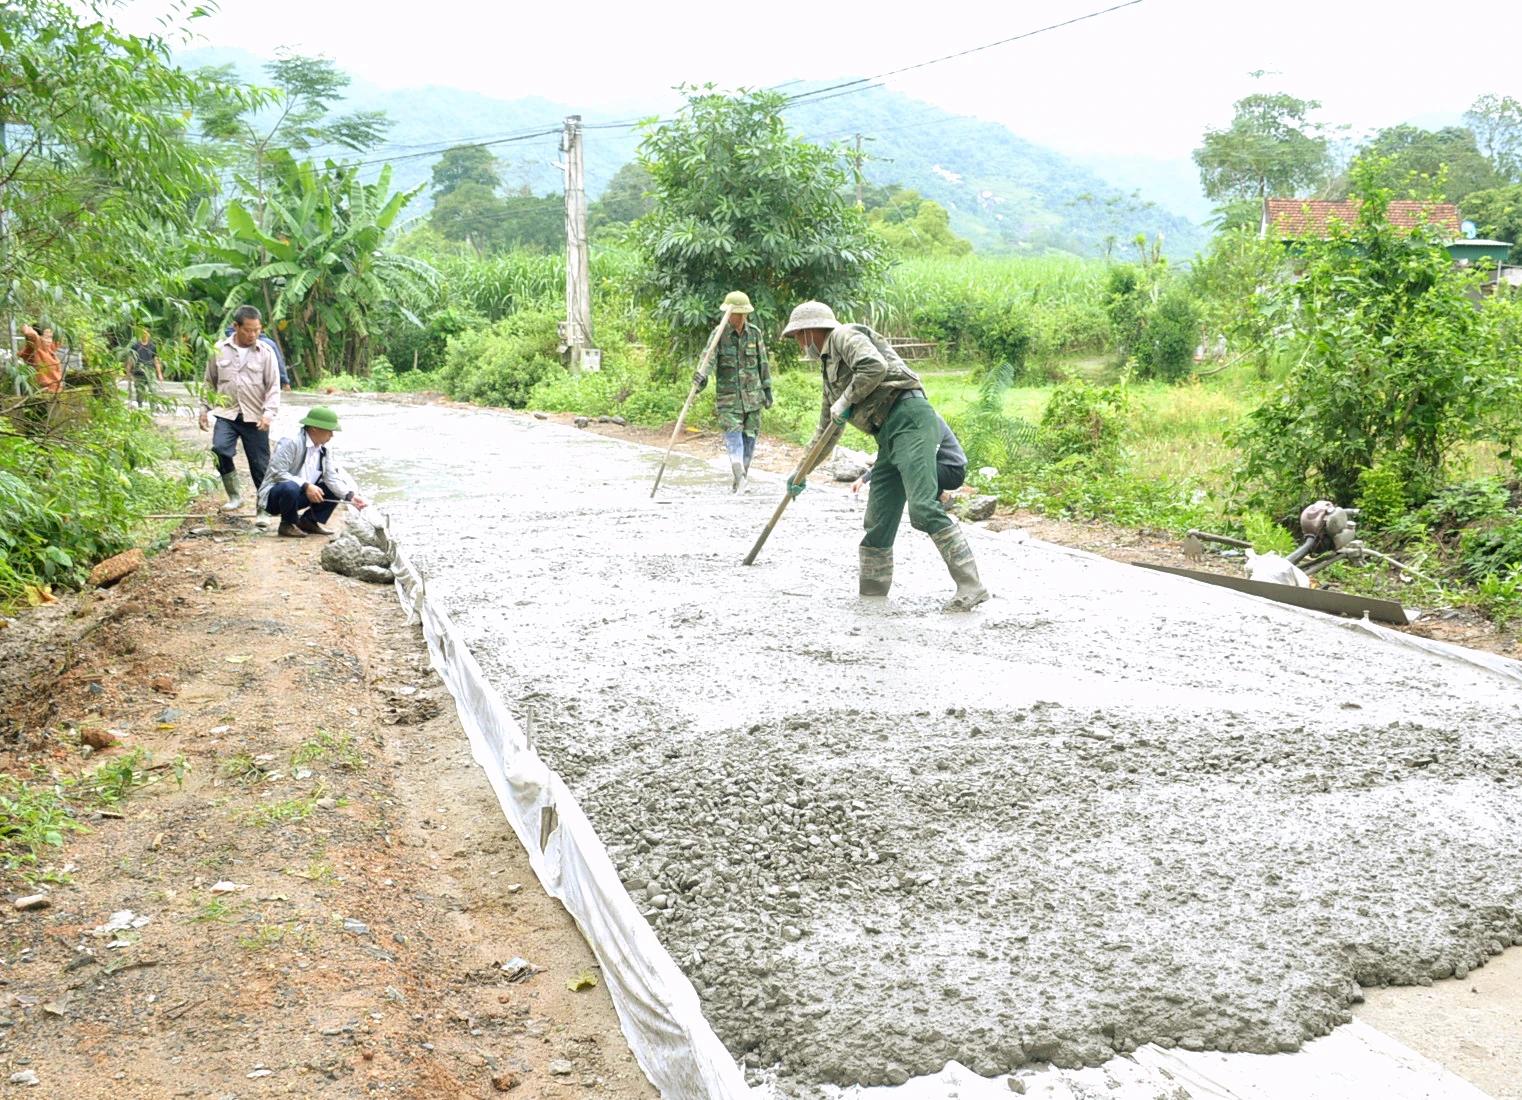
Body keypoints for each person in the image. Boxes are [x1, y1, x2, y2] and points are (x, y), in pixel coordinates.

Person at [781, 301, 989, 611]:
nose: (799, 344)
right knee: (877, 519)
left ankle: (971, 585)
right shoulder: (828, 371)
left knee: (922, 507)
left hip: (909, 417)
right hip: (887, 433)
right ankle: (872, 594)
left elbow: (873, 366)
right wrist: (801, 472)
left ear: (809, 331)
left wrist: (847, 398)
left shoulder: (844, 335)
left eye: (798, 336)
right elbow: (826, 431)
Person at [200, 305, 280, 513]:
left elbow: (273, 386)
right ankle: (235, 495)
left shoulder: (266, 352)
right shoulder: (219, 349)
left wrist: (268, 414)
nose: (253, 335)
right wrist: (203, 409)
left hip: (255, 417)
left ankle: (263, 508)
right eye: (248, 330)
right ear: (236, 326)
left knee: (260, 465)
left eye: (257, 330)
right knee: (219, 450)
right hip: (227, 413)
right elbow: (209, 382)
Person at [692, 291, 772, 492]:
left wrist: (767, 390)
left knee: (750, 438)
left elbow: (763, 364)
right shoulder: (718, 334)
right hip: (729, 399)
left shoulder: (755, 334)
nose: (738, 317)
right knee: (733, 435)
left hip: (753, 398)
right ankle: (738, 471)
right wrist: (700, 378)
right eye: (735, 313)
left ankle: (741, 476)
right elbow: (707, 360)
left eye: (741, 314)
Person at [258, 406, 367, 538]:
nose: (331, 436)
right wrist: (306, 486)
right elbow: (278, 473)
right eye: (329, 431)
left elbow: (331, 477)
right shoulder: (290, 442)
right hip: (276, 497)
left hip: (303, 495)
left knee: (334, 486)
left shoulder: (325, 448)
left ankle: (308, 521)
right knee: (290, 487)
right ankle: (287, 524)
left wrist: (350, 496)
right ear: (314, 428)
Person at [853, 412, 966, 504]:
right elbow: (892, 456)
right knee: (904, 464)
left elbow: (927, 457)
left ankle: (942, 497)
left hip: (953, 471)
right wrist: (864, 478)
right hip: (933, 466)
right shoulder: (907, 424)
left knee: (908, 467)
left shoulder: (932, 420)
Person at [223, 323, 291, 390]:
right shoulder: (269, 344)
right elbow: (279, 364)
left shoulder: (237, 342)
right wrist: (285, 382)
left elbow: (278, 364)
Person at [19, 323, 63, 394]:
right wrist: (27, 328)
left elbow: (59, 337)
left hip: (56, 391)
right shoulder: (33, 350)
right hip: (43, 393)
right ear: (38, 337)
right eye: (46, 337)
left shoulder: (49, 350)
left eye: (51, 337)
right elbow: (32, 336)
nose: (49, 341)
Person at [125, 328, 164, 407]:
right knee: (140, 392)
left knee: (152, 390)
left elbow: (156, 360)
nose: (144, 336)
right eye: (142, 334)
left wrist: (159, 373)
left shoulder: (153, 347)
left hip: (150, 372)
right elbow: (130, 359)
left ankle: (153, 409)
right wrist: (128, 372)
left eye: (145, 334)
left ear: (148, 335)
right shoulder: (135, 346)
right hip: (138, 372)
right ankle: (140, 407)